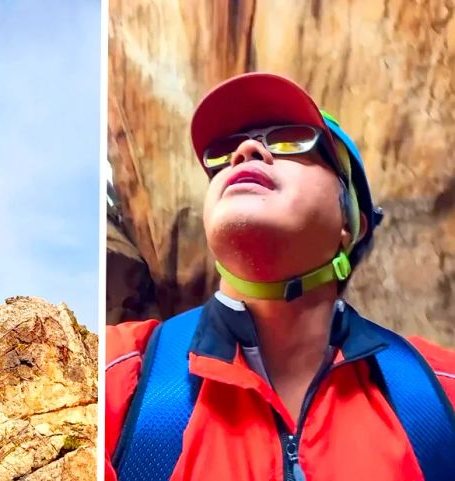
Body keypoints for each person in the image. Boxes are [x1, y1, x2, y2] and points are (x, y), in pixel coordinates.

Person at [105, 73, 455, 481]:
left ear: (352, 224)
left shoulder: (438, 391)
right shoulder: (116, 373)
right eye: (223, 152)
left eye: (291, 140)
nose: (245, 151)